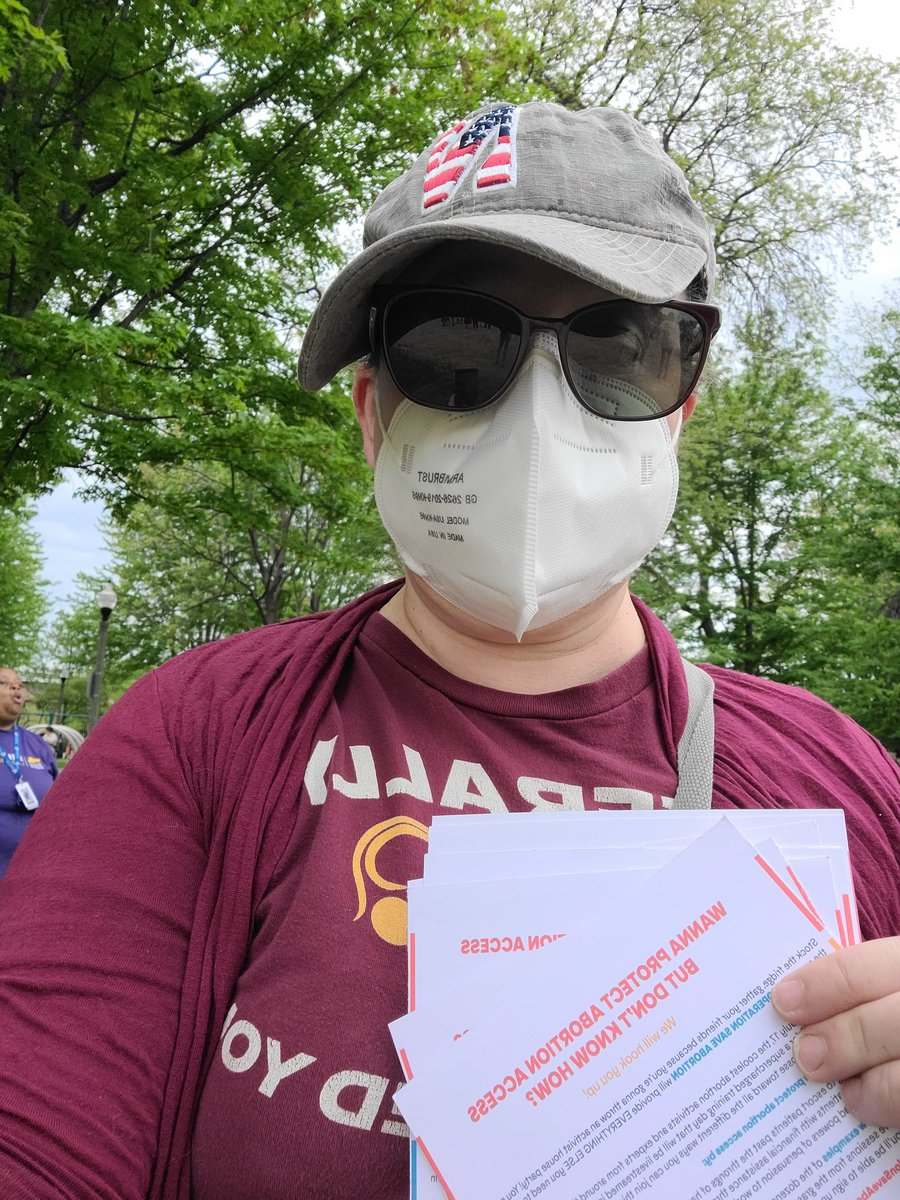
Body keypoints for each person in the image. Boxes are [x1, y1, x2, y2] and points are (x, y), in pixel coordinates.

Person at [0, 100, 897, 1200]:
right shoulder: (197, 733)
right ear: (375, 415)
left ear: (681, 410)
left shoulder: (836, 784)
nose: (535, 414)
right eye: (455, 346)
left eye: (617, 344)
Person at [0, 667, 58, 878]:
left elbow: (59, 801)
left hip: (31, 874)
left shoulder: (37, 745)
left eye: (19, 684)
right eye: (3, 683)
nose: (16, 687)